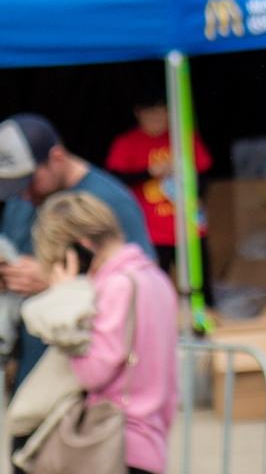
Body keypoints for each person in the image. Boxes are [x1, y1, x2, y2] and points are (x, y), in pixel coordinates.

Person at [27, 191, 178, 474]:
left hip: (117, 441)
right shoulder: (155, 278)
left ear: (80, 249)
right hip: (151, 438)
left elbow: (94, 372)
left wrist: (65, 298)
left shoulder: (115, 286)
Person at [0, 113, 155, 386]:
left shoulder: (111, 202)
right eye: (12, 185)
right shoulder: (21, 199)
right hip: (32, 373)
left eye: (27, 181)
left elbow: (142, 289)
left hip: (89, 385)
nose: (22, 194)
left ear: (56, 157)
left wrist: (57, 285)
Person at [106, 95, 215, 305]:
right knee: (155, 289)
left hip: (188, 225)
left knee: (200, 286)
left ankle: (204, 322)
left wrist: (197, 194)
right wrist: (149, 172)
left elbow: (204, 174)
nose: (157, 118)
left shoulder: (184, 138)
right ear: (139, 113)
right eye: (151, 113)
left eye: (161, 112)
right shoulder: (127, 143)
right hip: (152, 230)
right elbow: (115, 181)